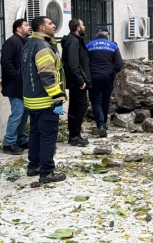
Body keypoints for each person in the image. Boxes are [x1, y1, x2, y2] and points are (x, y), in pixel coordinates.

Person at [21, 16, 67, 184]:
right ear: (41, 27)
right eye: (50, 23)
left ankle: (34, 166)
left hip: (31, 100)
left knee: (35, 134)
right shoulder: (43, 47)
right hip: (45, 100)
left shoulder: (28, 45)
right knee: (48, 136)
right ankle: (47, 172)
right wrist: (57, 98)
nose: (54, 25)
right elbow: (47, 75)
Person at [0, 18, 30, 155]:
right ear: (18, 29)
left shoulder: (27, 42)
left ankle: (21, 139)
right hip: (14, 86)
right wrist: (17, 76)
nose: (29, 27)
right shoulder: (11, 42)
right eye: (26, 25)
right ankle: (9, 143)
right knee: (17, 114)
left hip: (25, 86)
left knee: (24, 114)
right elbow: (5, 62)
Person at [86, 26, 123, 138]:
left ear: (97, 34)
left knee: (96, 102)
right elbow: (119, 64)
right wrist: (112, 73)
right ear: (107, 34)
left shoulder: (89, 45)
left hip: (93, 77)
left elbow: (83, 61)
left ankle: (101, 125)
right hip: (107, 77)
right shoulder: (113, 46)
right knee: (106, 101)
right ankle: (104, 125)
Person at [60, 18, 91, 147]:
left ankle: (74, 134)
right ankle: (75, 136)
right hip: (77, 81)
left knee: (75, 107)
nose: (84, 27)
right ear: (78, 28)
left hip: (76, 80)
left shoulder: (74, 40)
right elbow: (73, 64)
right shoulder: (73, 41)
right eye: (83, 25)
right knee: (81, 106)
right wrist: (80, 80)